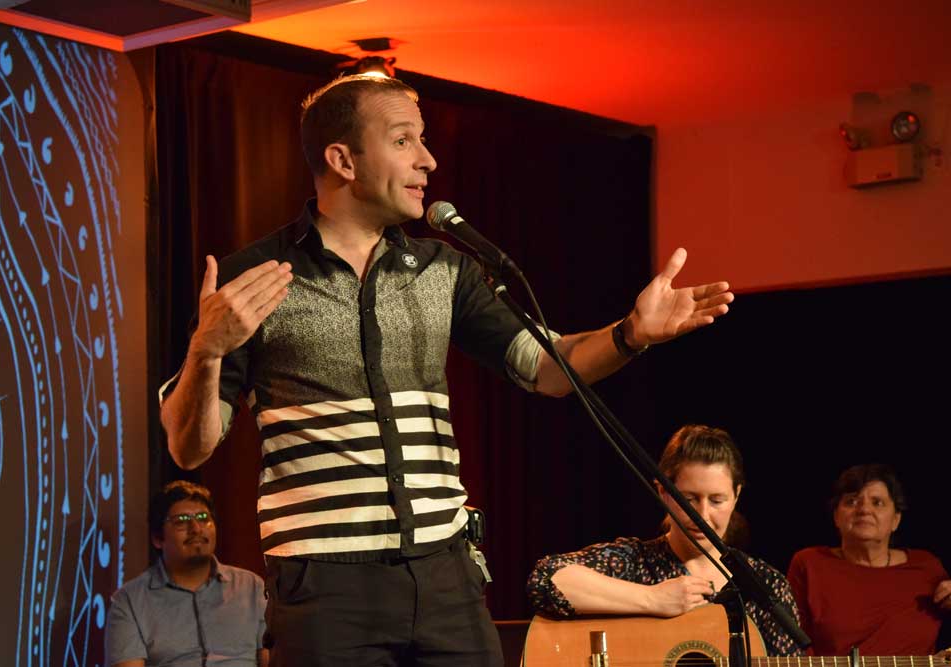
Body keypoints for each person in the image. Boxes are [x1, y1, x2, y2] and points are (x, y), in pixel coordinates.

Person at [159, 73, 734, 666]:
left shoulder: (441, 268)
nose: (428, 160)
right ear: (343, 159)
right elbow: (189, 446)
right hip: (324, 586)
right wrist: (206, 351)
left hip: (445, 574)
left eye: (424, 140)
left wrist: (631, 334)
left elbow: (548, 368)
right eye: (404, 141)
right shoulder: (254, 276)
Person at [527, 424, 803, 657]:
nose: (702, 516)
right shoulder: (636, 561)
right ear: (663, 492)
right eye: (689, 499)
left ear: (737, 495)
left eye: (717, 500)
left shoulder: (766, 587)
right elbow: (546, 579)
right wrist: (653, 598)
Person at [787, 464, 951, 656]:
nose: (864, 509)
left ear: (896, 519)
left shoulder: (927, 566)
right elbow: (792, 644)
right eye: (851, 501)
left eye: (877, 502)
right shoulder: (809, 563)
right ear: (836, 517)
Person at [105, 481, 268, 667]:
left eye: (203, 518)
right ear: (158, 539)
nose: (196, 529)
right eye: (181, 521)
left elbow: (272, 660)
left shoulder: (251, 587)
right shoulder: (129, 602)